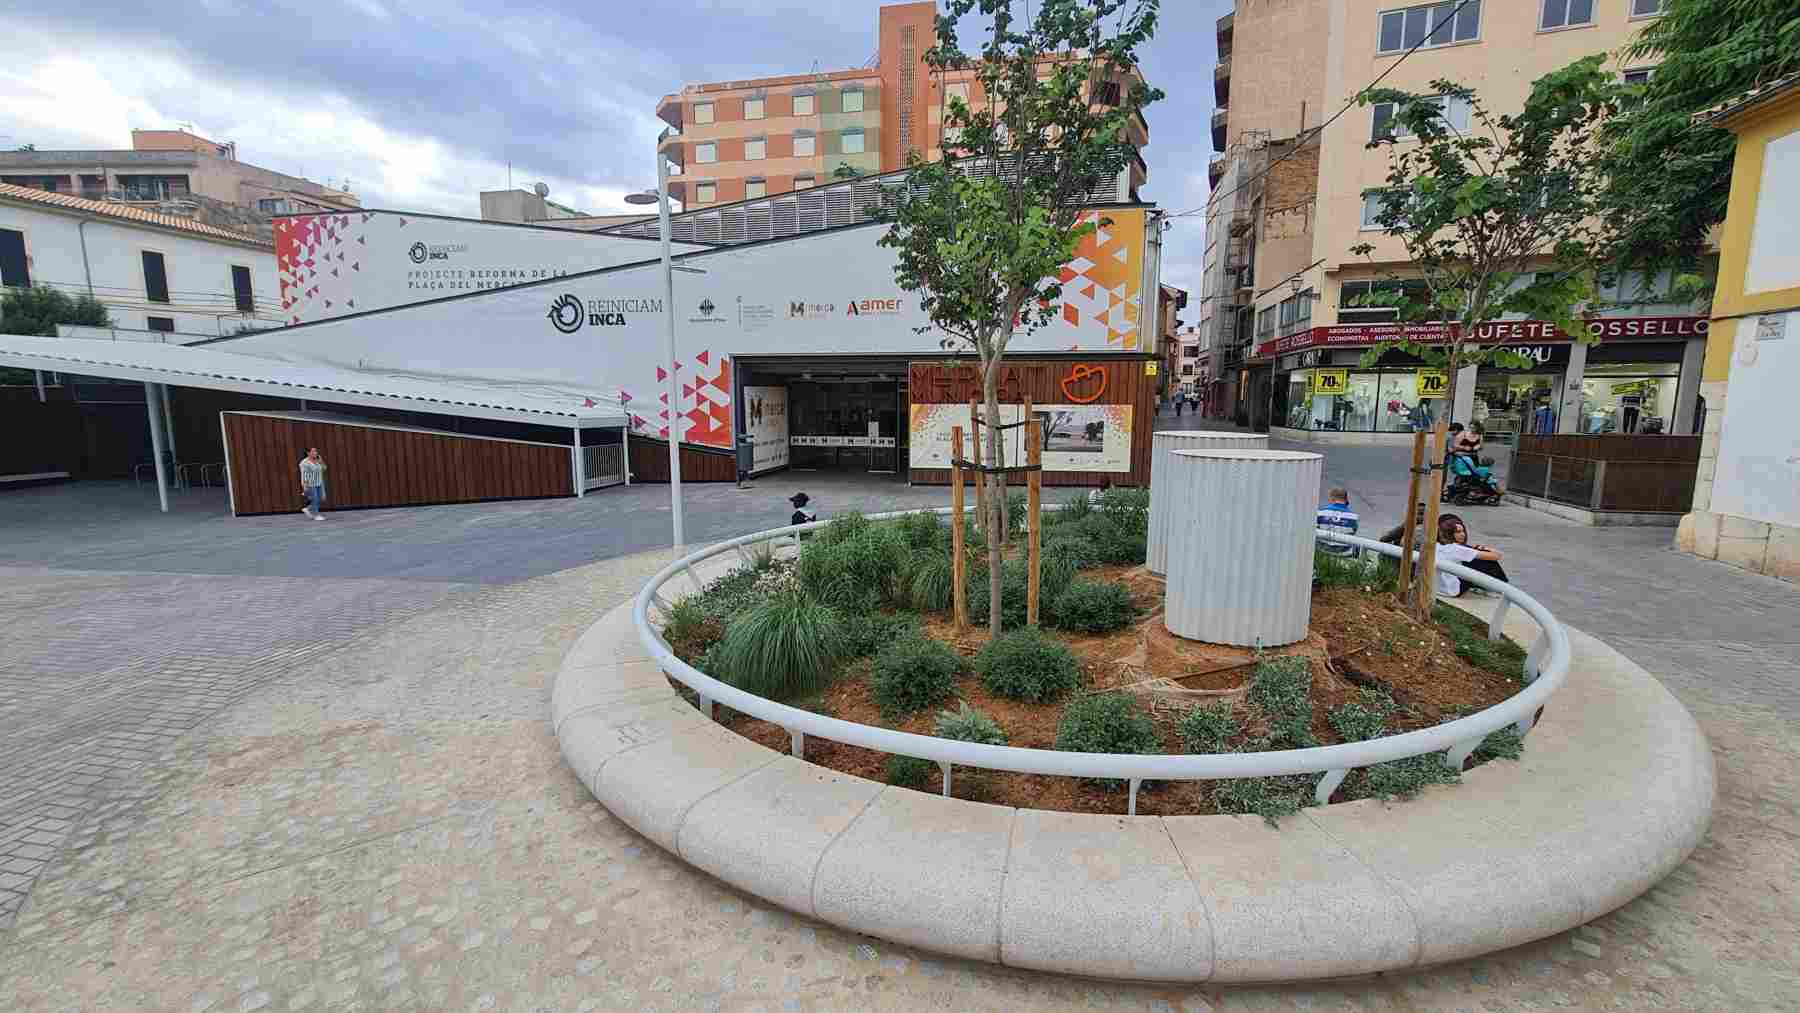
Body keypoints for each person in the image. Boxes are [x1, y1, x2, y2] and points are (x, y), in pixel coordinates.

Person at [1433, 513, 1508, 597]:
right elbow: (1497, 556)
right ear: (1449, 533)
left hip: (1437, 588)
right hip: (1452, 590)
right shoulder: (1457, 549)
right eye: (1458, 532)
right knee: (1487, 562)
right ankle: (1502, 586)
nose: (1463, 534)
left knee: (1471, 560)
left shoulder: (1436, 545)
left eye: (1463, 531)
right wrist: (1482, 548)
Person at [1315, 486, 1360, 556]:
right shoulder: (1353, 517)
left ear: (1332, 498)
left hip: (1322, 549)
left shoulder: (1320, 513)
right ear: (1346, 499)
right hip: (1344, 551)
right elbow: (1353, 532)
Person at [298, 447, 327, 521]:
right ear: (308, 453)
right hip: (310, 483)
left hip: (319, 482)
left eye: (316, 451)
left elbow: (324, 469)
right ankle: (316, 515)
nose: (315, 453)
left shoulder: (317, 460)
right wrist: (305, 486)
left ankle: (307, 509)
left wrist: (321, 461)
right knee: (315, 499)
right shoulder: (304, 463)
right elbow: (304, 475)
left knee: (321, 498)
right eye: (313, 451)